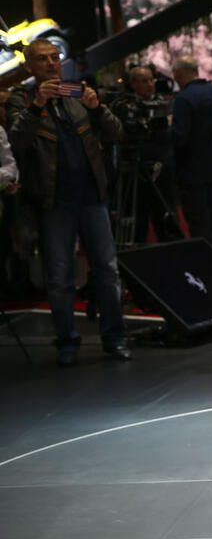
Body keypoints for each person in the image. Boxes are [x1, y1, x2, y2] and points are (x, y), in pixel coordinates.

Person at [5, 38, 129, 366]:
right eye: (42, 59)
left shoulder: (77, 94)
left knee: (107, 271)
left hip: (92, 197)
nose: (50, 64)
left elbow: (117, 133)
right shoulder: (22, 98)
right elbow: (16, 141)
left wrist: (97, 107)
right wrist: (36, 107)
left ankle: (115, 337)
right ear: (29, 66)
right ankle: (66, 341)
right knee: (60, 277)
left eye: (54, 58)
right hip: (53, 200)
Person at [108, 64, 181, 245]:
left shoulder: (164, 104)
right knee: (136, 221)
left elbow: (171, 134)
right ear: (133, 84)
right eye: (144, 81)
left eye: (151, 80)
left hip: (163, 170)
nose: (150, 84)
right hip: (134, 171)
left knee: (165, 217)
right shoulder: (124, 106)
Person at [171, 55, 212, 259]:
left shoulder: (184, 98)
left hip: (193, 170)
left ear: (179, 73)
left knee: (199, 223)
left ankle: (208, 269)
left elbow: (180, 137)